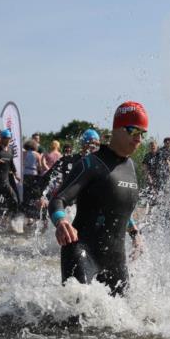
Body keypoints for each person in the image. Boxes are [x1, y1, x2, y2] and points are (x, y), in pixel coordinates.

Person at [49, 102, 147, 296]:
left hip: (116, 259)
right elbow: (58, 200)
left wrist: (135, 233)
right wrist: (61, 221)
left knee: (123, 323)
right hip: (81, 252)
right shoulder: (90, 163)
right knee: (76, 319)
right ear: (118, 129)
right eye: (134, 131)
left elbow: (117, 207)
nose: (139, 139)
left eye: (142, 134)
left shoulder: (131, 167)